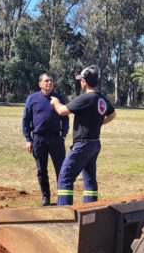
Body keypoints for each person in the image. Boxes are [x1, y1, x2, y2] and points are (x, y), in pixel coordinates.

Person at [50, 66, 116, 205]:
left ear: (85, 82)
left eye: (81, 80)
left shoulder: (85, 98)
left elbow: (62, 111)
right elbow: (112, 114)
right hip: (94, 144)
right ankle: (91, 210)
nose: (80, 83)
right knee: (90, 180)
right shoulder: (101, 99)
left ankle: (64, 213)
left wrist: (55, 102)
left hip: (82, 145)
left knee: (65, 177)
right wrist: (98, 123)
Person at [22, 73, 69, 207]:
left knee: (61, 169)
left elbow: (65, 118)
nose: (49, 83)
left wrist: (63, 134)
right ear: (40, 84)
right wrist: (28, 139)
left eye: (51, 81)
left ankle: (62, 197)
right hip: (38, 139)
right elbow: (26, 120)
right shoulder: (32, 98)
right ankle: (45, 197)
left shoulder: (58, 98)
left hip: (56, 139)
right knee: (41, 170)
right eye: (46, 81)